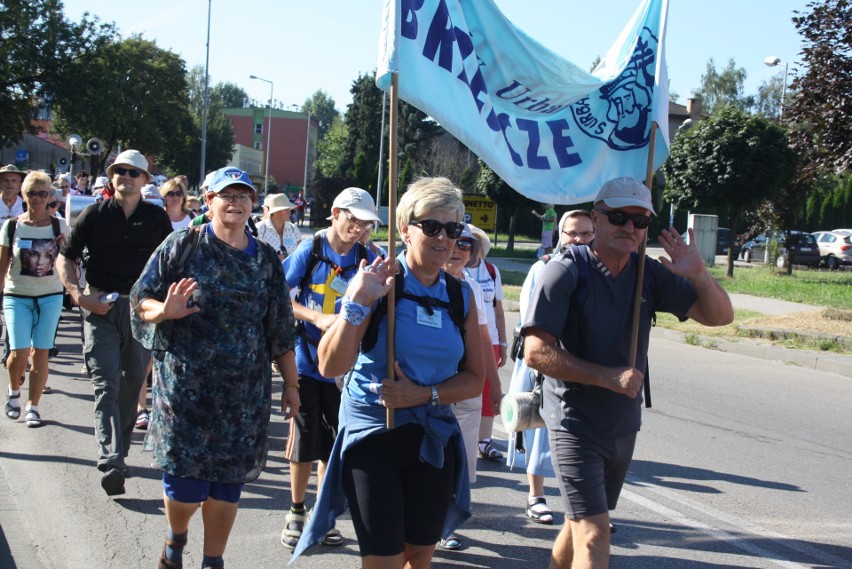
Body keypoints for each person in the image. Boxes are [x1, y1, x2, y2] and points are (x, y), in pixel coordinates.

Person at [522, 177, 734, 569]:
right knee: (596, 530)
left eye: (640, 221)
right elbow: (535, 352)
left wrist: (699, 273)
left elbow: (719, 317)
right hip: (573, 421)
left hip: (622, 423)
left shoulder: (648, 273)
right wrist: (608, 377)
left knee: (578, 523)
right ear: (597, 218)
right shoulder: (565, 271)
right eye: (619, 217)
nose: (629, 228)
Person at [291, 176, 485, 568]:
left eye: (453, 229)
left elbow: (474, 379)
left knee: (419, 557)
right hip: (375, 441)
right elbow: (330, 365)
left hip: (432, 441)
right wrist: (358, 301)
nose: (443, 238)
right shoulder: (378, 281)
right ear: (404, 229)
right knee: (384, 562)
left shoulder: (459, 294)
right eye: (431, 226)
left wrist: (422, 395)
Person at [130, 165, 301, 569]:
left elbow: (280, 327)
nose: (236, 202)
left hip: (242, 396)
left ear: (252, 205)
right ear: (209, 201)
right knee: (186, 487)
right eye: (227, 195)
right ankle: (176, 538)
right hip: (185, 392)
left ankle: (213, 560)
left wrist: (292, 387)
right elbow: (141, 299)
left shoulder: (265, 262)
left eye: (243, 196)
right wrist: (165, 311)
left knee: (227, 488)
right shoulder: (180, 247)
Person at [57, 149, 173, 497]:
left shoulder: (156, 219)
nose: (126, 177)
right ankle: (110, 459)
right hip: (101, 307)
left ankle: (118, 451)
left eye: (133, 172)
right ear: (112, 177)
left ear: (145, 181)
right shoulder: (93, 215)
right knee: (106, 382)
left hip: (140, 311)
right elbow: (66, 259)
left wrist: (168, 305)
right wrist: (79, 296)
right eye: (120, 171)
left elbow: (172, 263)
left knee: (135, 379)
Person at [280, 186, 381, 549]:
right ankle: (295, 511)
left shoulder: (369, 256)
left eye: (366, 223)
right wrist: (315, 318)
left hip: (346, 369)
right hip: (307, 362)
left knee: (334, 444)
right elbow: (278, 293)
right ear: (335, 213)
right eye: (353, 219)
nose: (359, 228)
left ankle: (322, 514)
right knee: (305, 441)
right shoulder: (311, 248)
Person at [506, 209, 594, 526]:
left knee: (586, 438)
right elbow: (531, 323)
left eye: (586, 233)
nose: (580, 239)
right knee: (542, 431)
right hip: (548, 362)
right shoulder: (543, 269)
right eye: (573, 233)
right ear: (560, 235)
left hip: (586, 366)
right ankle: (536, 496)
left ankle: (589, 508)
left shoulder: (601, 271)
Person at [438, 223, 499, 551]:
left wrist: (496, 385)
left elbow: (485, 339)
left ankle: (446, 526)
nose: (460, 249)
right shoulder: (424, 282)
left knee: (460, 459)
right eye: (456, 242)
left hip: (467, 387)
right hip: (431, 386)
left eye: (467, 245)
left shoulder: (473, 288)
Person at [1, 172, 69, 427]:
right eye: (32, 193)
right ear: (23, 195)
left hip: (50, 295)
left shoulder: (59, 226)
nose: (38, 199)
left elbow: (68, 261)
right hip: (17, 294)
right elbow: (2, 266)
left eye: (43, 193)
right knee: (17, 354)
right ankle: (13, 390)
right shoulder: (11, 226)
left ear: (49, 196)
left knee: (40, 353)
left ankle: (33, 406)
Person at [464, 224, 506, 461]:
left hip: (490, 339)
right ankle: (468, 440)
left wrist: (504, 343)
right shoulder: (459, 271)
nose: (470, 247)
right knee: (470, 388)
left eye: (474, 242)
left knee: (489, 388)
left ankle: (485, 440)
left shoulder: (491, 271)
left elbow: (498, 309)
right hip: (470, 341)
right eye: (467, 241)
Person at [256, 193, 301, 260]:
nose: (290, 212)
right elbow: (253, 255)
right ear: (276, 212)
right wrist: (273, 259)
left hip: (290, 270)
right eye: (286, 210)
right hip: (268, 270)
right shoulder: (260, 228)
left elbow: (300, 253)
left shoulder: (293, 228)